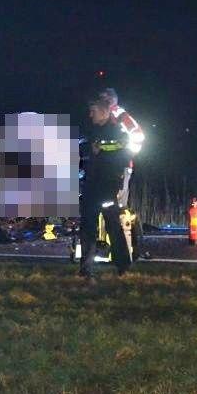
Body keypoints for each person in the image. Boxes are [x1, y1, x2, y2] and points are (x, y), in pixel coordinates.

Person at [79, 94, 135, 281]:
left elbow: (122, 152)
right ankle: (86, 268)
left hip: (107, 186)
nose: (90, 115)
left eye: (93, 111)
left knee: (113, 226)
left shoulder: (116, 131)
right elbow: (83, 149)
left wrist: (101, 148)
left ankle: (123, 265)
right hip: (90, 185)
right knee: (87, 227)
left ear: (103, 112)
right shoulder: (91, 130)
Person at [97, 88, 147, 255]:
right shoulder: (103, 117)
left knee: (118, 206)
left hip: (120, 167)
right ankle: (108, 244)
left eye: (104, 99)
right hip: (107, 167)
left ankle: (124, 248)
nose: (101, 101)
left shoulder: (120, 116)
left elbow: (139, 136)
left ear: (111, 100)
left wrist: (126, 153)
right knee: (107, 204)